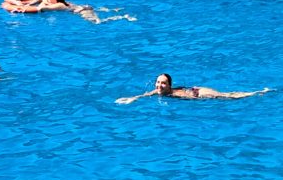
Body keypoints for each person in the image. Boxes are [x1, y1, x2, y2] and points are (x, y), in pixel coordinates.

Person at [116, 73, 272, 104]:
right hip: (194, 91)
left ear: (169, 85)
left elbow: (190, 96)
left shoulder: (173, 93)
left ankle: (257, 93)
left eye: (163, 83)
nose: (159, 85)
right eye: (158, 82)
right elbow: (146, 94)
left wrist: (196, 97)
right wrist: (133, 98)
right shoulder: (157, 91)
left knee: (227, 96)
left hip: (199, 93)